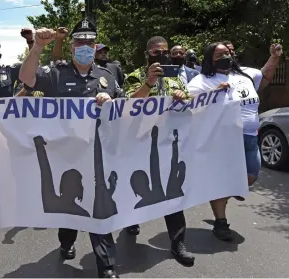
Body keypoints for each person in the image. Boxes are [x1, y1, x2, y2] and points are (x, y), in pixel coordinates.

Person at [19, 19, 122, 278]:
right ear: (72, 45)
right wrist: (38, 47)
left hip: (98, 153)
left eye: (89, 42)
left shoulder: (107, 75)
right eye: (79, 41)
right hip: (65, 155)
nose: (85, 46)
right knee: (70, 204)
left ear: (95, 45)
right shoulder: (56, 72)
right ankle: (66, 241)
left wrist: (111, 101)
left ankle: (106, 265)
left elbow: (125, 109)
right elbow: (27, 78)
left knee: (99, 206)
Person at [186, 42, 275, 242]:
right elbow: (185, 102)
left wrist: (275, 57)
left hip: (250, 137)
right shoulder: (202, 80)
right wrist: (214, 92)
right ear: (210, 60)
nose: (225, 56)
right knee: (222, 182)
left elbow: (265, 75)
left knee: (252, 175)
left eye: (227, 53)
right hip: (222, 141)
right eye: (219, 55)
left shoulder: (245, 75)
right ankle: (220, 222)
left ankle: (230, 191)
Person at [123, 36, 195, 267]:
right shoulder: (135, 76)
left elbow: (189, 104)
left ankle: (177, 242)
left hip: (169, 144)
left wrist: (182, 99)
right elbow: (126, 106)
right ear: (147, 54)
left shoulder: (176, 78)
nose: (160, 55)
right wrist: (149, 83)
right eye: (155, 52)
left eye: (164, 51)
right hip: (140, 143)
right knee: (135, 186)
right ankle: (130, 219)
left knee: (172, 193)